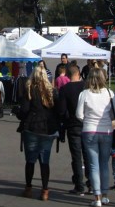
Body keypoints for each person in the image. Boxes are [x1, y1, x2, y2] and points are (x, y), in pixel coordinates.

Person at [76, 68, 115, 207]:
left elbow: (79, 114)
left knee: (93, 165)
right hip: (106, 130)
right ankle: (105, 195)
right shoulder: (109, 93)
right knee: (104, 163)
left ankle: (97, 197)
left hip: (89, 130)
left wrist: (87, 121)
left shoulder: (84, 94)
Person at [18, 65, 60, 200]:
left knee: (30, 159)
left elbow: (24, 111)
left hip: (32, 127)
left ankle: (28, 187)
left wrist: (18, 113)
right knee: (44, 160)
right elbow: (57, 110)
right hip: (48, 128)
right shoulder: (52, 91)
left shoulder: (29, 90)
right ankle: (45, 190)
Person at [56, 63, 89, 195]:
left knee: (76, 156)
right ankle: (92, 183)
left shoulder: (65, 89)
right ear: (79, 73)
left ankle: (79, 185)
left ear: (68, 75)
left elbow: (62, 110)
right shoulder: (86, 86)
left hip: (73, 125)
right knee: (88, 155)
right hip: (87, 124)